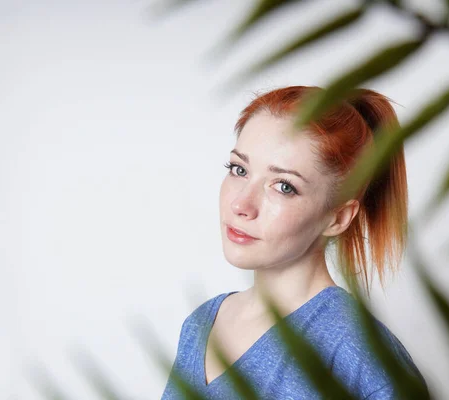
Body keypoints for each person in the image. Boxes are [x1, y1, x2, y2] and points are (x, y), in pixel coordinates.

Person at [160, 86, 428, 399]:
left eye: (284, 186)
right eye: (239, 169)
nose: (241, 204)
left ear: (338, 217)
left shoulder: (358, 351)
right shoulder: (200, 325)